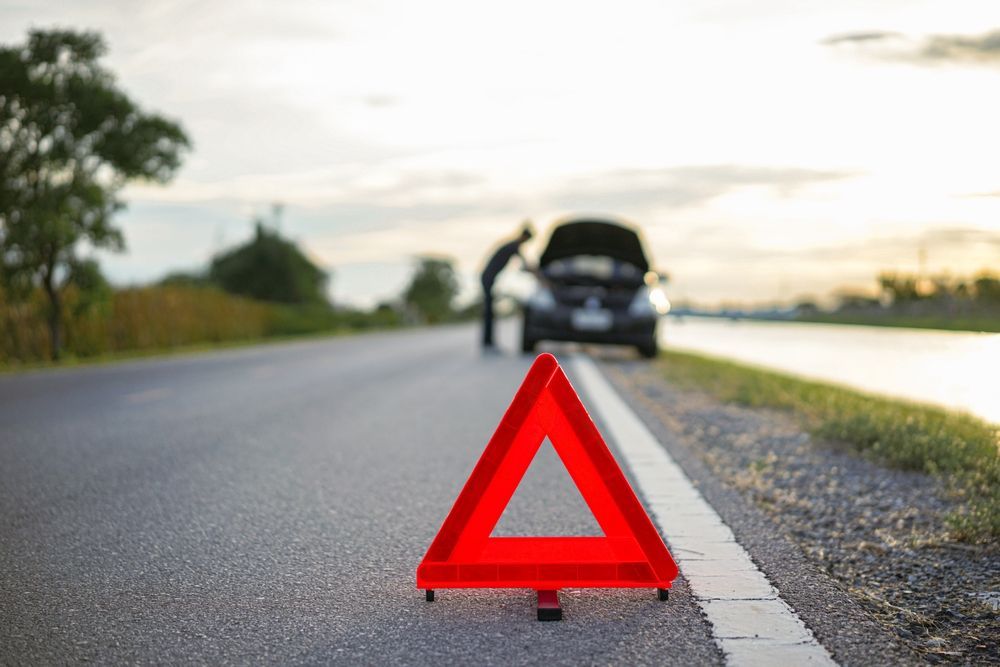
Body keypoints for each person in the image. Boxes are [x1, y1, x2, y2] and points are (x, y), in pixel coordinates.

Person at [480, 223, 535, 349]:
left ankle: (488, 341)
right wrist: (537, 273)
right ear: (524, 237)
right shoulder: (513, 246)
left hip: (489, 278)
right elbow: (525, 265)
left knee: (490, 310)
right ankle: (487, 342)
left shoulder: (512, 245)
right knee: (488, 311)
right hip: (487, 278)